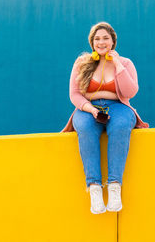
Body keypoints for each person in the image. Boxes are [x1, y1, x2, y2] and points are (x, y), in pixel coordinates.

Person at [61, 22, 149, 214]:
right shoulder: (81, 63)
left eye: (105, 38)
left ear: (113, 41)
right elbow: (74, 95)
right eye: (97, 38)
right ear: (92, 42)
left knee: (120, 126)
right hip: (86, 108)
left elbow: (130, 91)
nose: (101, 42)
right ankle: (94, 189)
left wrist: (117, 64)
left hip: (118, 107)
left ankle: (114, 186)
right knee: (84, 128)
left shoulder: (125, 63)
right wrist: (90, 109)